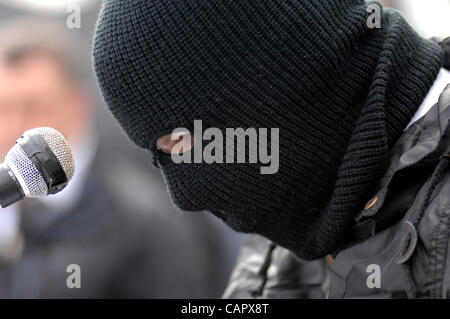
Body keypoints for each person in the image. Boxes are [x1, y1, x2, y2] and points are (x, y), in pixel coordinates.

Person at [93, 0, 450, 298]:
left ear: (278, 80)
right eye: (159, 157)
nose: (185, 196)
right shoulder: (284, 239)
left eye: (183, 145)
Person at [0, 20, 231, 298]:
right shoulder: (10, 207)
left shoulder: (144, 219)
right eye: (3, 109)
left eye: (33, 107)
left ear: (78, 106)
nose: (13, 126)